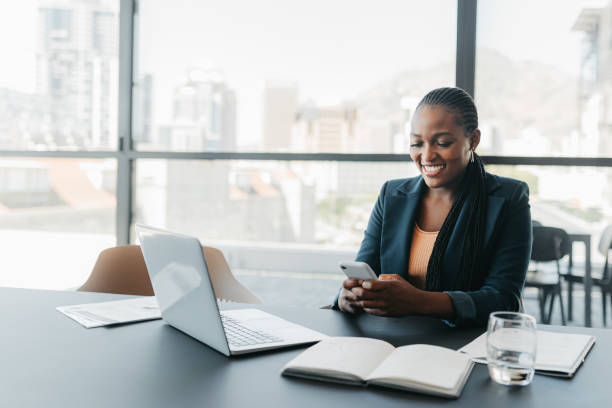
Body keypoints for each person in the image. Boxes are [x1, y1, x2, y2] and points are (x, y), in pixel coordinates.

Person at [333, 87, 532, 327]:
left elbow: (503, 299)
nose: (427, 155)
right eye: (417, 143)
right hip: (393, 341)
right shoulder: (392, 195)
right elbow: (366, 270)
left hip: (468, 343)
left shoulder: (508, 198)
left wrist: (418, 302)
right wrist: (349, 297)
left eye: (442, 142)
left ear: (474, 140)